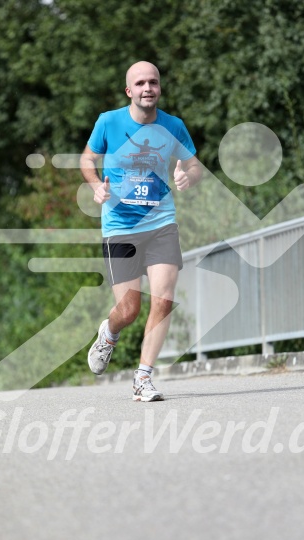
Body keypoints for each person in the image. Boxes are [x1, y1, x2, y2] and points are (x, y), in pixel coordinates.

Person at [80, 61, 202, 401]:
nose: (148, 88)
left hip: (161, 222)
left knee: (164, 298)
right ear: (129, 91)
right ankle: (109, 332)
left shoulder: (173, 126)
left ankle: (143, 378)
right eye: (141, 83)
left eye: (153, 82)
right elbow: (87, 160)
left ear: (159, 88)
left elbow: (194, 166)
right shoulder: (109, 121)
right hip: (120, 226)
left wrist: (187, 177)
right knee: (129, 309)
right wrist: (95, 187)